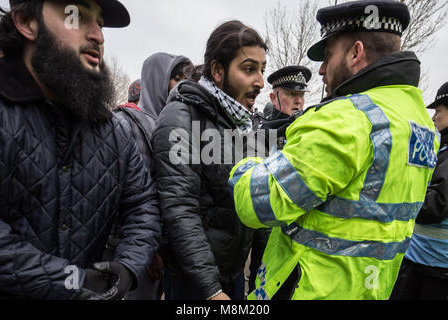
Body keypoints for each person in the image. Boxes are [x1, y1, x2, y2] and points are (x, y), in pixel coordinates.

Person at [229, 0, 438, 300]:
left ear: (356, 53)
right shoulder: (418, 121)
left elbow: (255, 204)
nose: (323, 70)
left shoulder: (346, 120)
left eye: (327, 56)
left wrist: (249, 158)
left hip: (311, 289)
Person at [0, 0, 160, 300]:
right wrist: (73, 281)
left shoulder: (114, 130)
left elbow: (142, 205)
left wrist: (126, 268)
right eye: (77, 15)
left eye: (98, 21)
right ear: (26, 21)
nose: (98, 35)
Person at [152, 20, 267, 300]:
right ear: (217, 70)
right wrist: (211, 289)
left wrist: (260, 275)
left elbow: (260, 200)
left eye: (262, 70)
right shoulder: (181, 117)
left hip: (235, 276)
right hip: (194, 285)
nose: (260, 82)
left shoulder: (245, 125)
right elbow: (179, 208)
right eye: (249, 69)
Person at [111, 53, 193, 300]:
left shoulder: (174, 125)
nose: (181, 86)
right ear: (157, 80)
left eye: (184, 79)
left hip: (167, 249)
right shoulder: (129, 124)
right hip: (136, 252)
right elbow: (133, 199)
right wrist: (148, 252)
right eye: (175, 78)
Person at [247, 66, 312, 294]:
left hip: (299, 230)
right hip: (264, 223)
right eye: (291, 94)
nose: (298, 101)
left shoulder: (308, 131)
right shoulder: (259, 136)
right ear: (274, 98)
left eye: (301, 95)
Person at [391, 82, 448, 300]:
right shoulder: (440, 148)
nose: (434, 118)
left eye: (439, 111)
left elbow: (435, 206)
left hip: (438, 268)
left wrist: (396, 185)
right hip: (421, 258)